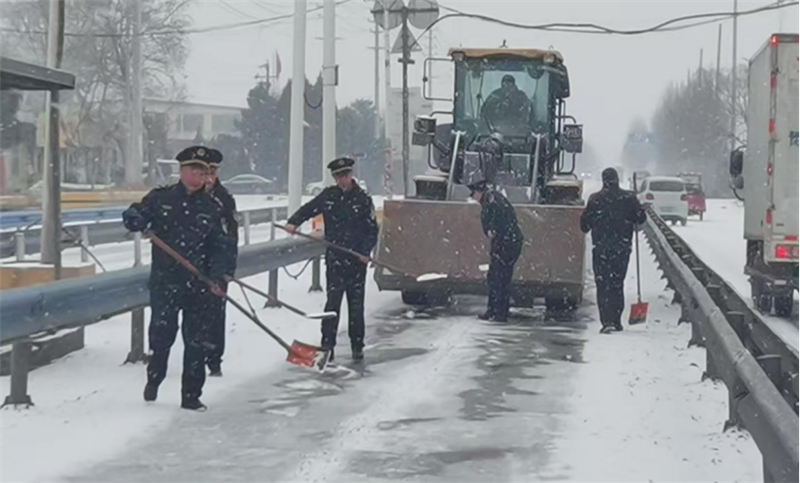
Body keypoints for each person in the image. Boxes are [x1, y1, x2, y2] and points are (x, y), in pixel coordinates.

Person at [123, 146, 235, 411]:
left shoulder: (212, 207)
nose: (201, 176)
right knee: (162, 336)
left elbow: (223, 246)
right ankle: (154, 378)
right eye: (195, 170)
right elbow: (134, 214)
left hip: (199, 285)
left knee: (196, 342)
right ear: (182, 172)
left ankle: (191, 395)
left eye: (204, 171)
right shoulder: (160, 199)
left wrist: (219, 276)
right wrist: (135, 219)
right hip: (166, 282)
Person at [284, 157, 379, 362]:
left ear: (351, 174)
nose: (341, 180)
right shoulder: (329, 196)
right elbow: (309, 209)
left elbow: (372, 230)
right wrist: (293, 222)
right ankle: (327, 347)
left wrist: (365, 252)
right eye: (338, 176)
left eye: (345, 175)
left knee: (356, 306)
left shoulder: (362, 199)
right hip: (335, 259)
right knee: (332, 306)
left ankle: (357, 346)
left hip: (356, 261)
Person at [580, 167, 647, 334]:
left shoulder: (595, 199)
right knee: (617, 284)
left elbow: (584, 226)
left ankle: (607, 321)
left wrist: (592, 219)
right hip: (622, 248)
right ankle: (616, 320)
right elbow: (640, 219)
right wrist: (639, 208)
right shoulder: (628, 198)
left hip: (601, 248)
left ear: (604, 180)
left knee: (603, 285)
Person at [204, 149, 239, 377]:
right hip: (191, 267)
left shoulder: (224, 199)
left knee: (216, 315)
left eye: (212, 172)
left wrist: (227, 270)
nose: (208, 177)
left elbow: (232, 237)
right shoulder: (184, 197)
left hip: (217, 268)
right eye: (204, 171)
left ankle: (214, 360)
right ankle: (195, 359)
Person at [468, 180, 524, 322]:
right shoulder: (493, 199)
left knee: (499, 278)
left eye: (473, 193)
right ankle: (494, 310)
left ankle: (499, 312)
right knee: (496, 277)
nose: (473, 197)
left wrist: (492, 230)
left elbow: (495, 220)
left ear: (479, 192)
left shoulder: (492, 201)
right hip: (507, 242)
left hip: (506, 244)